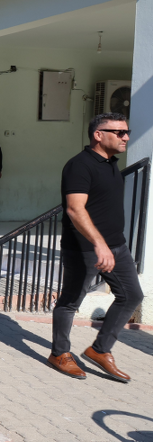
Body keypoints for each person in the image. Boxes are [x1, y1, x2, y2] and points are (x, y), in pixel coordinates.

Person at [47, 112, 143, 383]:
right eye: (119, 132)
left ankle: (99, 350)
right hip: (84, 248)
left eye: (127, 132)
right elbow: (75, 210)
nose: (126, 137)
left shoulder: (110, 163)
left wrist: (111, 245)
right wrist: (99, 245)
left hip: (116, 245)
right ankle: (59, 354)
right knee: (70, 302)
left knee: (131, 295)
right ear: (98, 135)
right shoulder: (79, 165)